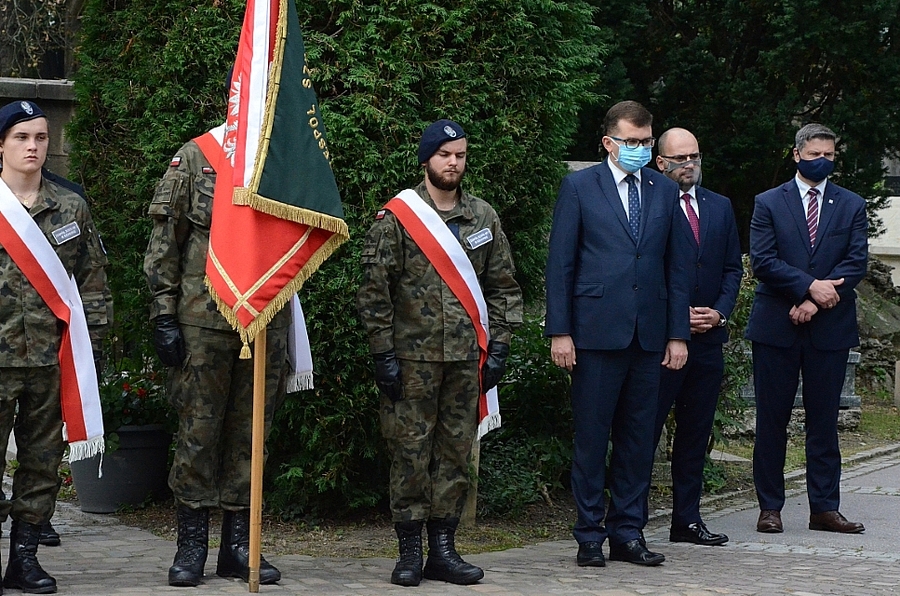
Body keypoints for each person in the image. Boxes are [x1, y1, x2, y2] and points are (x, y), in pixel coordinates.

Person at [357, 119, 522, 587]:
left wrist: (502, 346)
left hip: (466, 360)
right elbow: (374, 293)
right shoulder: (398, 218)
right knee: (410, 452)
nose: (454, 163)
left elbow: (503, 286)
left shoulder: (483, 217)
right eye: (446, 154)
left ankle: (444, 551)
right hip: (412, 361)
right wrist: (382, 354)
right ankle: (409, 551)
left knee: (454, 454)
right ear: (426, 158)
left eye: (461, 155)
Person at [545, 100, 690, 568]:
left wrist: (677, 334)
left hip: (649, 336)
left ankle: (628, 532)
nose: (641, 150)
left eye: (647, 142)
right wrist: (560, 331)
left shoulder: (664, 192)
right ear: (608, 142)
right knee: (591, 439)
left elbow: (677, 267)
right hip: (594, 334)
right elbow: (561, 265)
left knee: (637, 440)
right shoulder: (579, 187)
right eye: (632, 142)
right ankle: (589, 534)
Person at [144, 125, 289, 587]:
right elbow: (166, 243)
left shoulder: (287, 157)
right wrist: (164, 314)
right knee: (198, 433)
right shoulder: (196, 157)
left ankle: (239, 546)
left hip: (264, 322)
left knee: (251, 435)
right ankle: (191, 546)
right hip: (201, 321)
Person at [0, 100, 113, 593]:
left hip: (52, 361)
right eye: (22, 137)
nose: (33, 146)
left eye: (41, 137)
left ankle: (24, 560)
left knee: (42, 464)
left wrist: (98, 350)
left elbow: (93, 283)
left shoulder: (71, 206)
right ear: (2, 144)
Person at [745, 123, 868, 535]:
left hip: (829, 328)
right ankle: (770, 507)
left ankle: (824, 508)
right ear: (797, 155)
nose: (823, 162)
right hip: (776, 326)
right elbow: (762, 260)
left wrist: (814, 299)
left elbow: (855, 262)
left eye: (830, 156)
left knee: (823, 421)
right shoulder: (768, 202)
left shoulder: (850, 204)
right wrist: (804, 287)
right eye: (815, 154)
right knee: (772, 419)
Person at [641, 128, 742, 546]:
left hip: (707, 340)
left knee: (695, 434)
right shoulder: (649, 207)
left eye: (695, 156)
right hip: (663, 341)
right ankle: (630, 521)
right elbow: (645, 272)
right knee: (643, 431)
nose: (689, 164)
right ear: (660, 163)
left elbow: (733, 268)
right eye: (679, 157)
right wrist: (675, 317)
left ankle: (687, 520)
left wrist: (719, 312)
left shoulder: (719, 207)